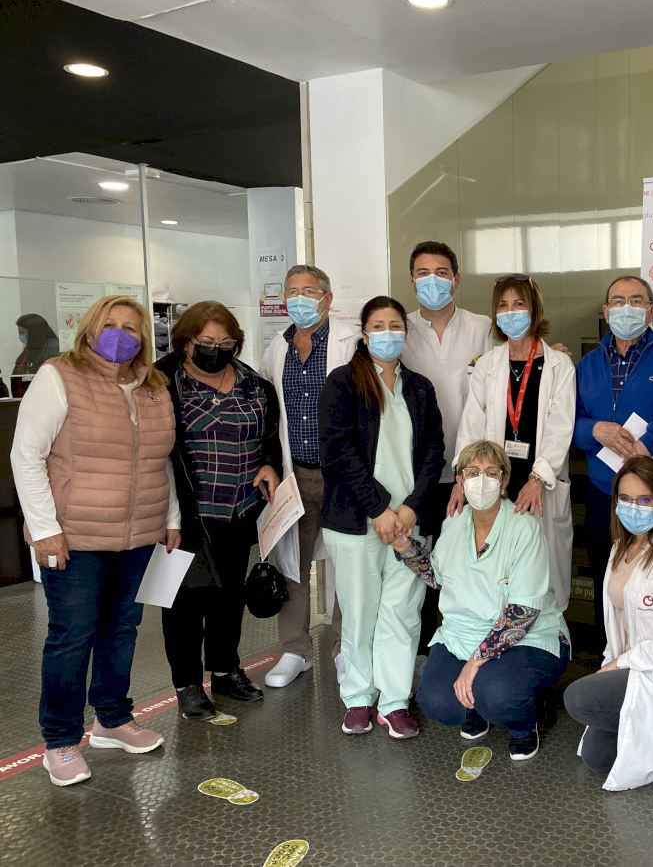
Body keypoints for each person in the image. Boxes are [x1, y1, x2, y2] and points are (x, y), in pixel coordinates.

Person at [10, 294, 179, 786]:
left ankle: (112, 719)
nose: (120, 335)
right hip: (75, 535)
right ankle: (60, 741)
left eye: (131, 327)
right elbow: (26, 456)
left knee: (122, 631)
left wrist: (170, 517)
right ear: (88, 329)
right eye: (110, 325)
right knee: (72, 635)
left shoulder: (154, 386)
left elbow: (160, 460)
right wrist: (45, 530)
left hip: (139, 534)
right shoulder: (59, 377)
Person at [318, 296, 444, 739]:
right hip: (357, 521)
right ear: (364, 333)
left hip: (409, 522)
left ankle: (394, 701)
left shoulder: (420, 387)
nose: (388, 333)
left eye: (395, 326)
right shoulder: (343, 382)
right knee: (359, 612)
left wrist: (410, 508)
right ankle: (358, 697)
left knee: (402, 613)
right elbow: (337, 451)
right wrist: (378, 508)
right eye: (379, 325)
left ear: (406, 334)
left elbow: (434, 452)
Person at [397, 440, 571, 760]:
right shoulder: (454, 522)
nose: (481, 481)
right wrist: (405, 547)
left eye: (491, 473)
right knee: (435, 700)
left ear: (504, 481)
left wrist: (475, 662)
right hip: (464, 634)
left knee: (498, 693)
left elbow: (522, 613)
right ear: (460, 481)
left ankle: (524, 724)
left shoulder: (524, 529)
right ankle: (475, 710)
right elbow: (438, 577)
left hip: (528, 637)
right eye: (472, 472)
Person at [157, 302, 282, 720]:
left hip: (239, 511)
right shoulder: (163, 383)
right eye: (207, 341)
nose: (216, 349)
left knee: (228, 599)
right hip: (183, 515)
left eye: (226, 342)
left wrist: (271, 463)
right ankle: (187, 684)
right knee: (183, 604)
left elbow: (270, 438)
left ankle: (226, 670)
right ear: (186, 341)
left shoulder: (254, 385)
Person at [564, 456, 653, 790]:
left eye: (645, 500)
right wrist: (612, 663)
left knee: (578, 699)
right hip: (632, 667)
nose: (634, 508)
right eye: (626, 499)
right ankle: (644, 728)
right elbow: (619, 626)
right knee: (597, 758)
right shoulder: (619, 549)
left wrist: (618, 664)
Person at [574, 275, 653, 646]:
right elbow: (568, 422)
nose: (625, 308)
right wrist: (595, 429)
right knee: (608, 581)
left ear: (652, 310)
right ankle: (611, 659)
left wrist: (648, 443)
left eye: (636, 300)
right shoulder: (587, 365)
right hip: (606, 495)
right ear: (605, 310)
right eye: (617, 301)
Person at [452, 274, 576, 609]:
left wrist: (538, 479)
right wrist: (463, 477)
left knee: (544, 573)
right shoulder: (487, 365)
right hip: (496, 480)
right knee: (499, 571)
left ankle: (548, 634)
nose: (511, 312)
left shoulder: (559, 365)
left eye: (519, 304)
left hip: (539, 482)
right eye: (503, 306)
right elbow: (471, 424)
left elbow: (560, 427)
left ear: (534, 310)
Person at [262, 264, 358, 689]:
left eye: (308, 291)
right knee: (292, 564)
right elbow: (269, 414)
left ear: (327, 299)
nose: (298, 299)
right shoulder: (276, 348)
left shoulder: (350, 343)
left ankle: (344, 647)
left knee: (347, 563)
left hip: (342, 474)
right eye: (292, 291)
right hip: (295, 473)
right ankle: (295, 649)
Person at [399, 241, 493, 649]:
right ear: (411, 281)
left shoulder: (482, 327)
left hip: (471, 473)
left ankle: (464, 648)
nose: (432, 281)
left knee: (467, 565)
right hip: (415, 473)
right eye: (423, 273)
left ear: (456, 280)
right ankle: (420, 653)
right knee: (416, 567)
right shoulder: (399, 329)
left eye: (441, 273)